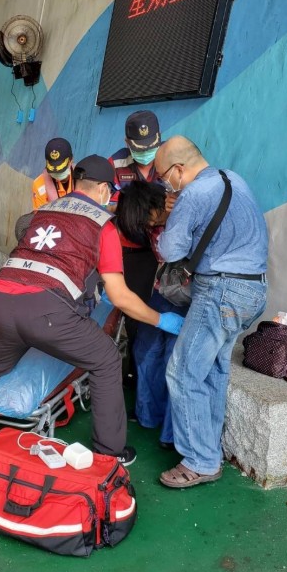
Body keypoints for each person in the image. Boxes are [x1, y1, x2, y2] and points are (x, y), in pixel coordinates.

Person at [0, 155, 185, 467]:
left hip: (1, 299)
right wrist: (162, 320)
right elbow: (119, 296)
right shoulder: (101, 224)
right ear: (106, 189)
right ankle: (110, 452)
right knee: (106, 358)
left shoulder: (43, 211)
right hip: (47, 311)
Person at [155, 136, 268, 488]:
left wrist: (171, 214)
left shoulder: (193, 194)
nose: (165, 184)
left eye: (163, 177)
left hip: (221, 290)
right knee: (214, 371)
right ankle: (210, 451)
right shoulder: (234, 179)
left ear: (177, 170)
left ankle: (200, 461)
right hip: (253, 289)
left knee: (182, 372)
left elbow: (171, 249)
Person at [114, 181, 186, 448]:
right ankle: (148, 415)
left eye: (147, 217)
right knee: (145, 350)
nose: (145, 224)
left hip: (189, 295)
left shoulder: (183, 211)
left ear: (157, 206)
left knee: (173, 359)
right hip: (163, 291)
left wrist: (179, 209)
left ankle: (170, 433)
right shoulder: (152, 227)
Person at [107, 111, 171, 388]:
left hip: (165, 250)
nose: (145, 154)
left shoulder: (170, 160)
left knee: (150, 313)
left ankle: (145, 375)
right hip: (127, 249)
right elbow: (104, 205)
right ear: (127, 142)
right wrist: (128, 207)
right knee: (130, 312)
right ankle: (131, 376)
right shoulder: (115, 164)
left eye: (150, 147)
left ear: (158, 138)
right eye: (138, 149)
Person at [31, 137, 74, 210]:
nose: (57, 173)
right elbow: (40, 217)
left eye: (61, 170)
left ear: (71, 161)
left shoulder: (82, 179)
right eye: (53, 170)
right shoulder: (39, 185)